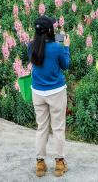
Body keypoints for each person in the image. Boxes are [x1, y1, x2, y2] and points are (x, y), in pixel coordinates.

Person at [29, 15, 70, 178]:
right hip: (56, 92)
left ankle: (40, 164)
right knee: (58, 128)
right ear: (51, 31)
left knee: (42, 127)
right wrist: (66, 47)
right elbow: (65, 65)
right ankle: (59, 164)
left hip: (37, 92)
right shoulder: (56, 48)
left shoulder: (31, 46)